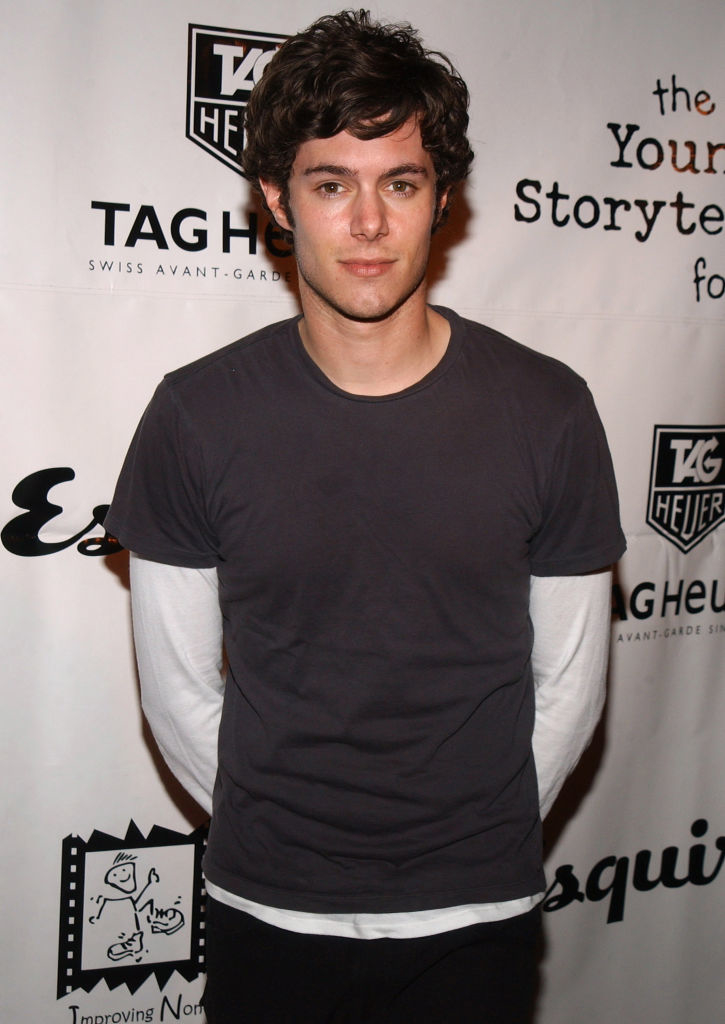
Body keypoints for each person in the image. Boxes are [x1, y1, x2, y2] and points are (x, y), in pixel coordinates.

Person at [106, 10, 626, 1022]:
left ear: (441, 200)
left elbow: (567, 689)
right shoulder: (194, 414)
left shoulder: (549, 410)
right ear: (276, 201)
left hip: (477, 918)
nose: (368, 223)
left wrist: (464, 832)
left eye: (399, 182)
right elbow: (175, 697)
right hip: (268, 913)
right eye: (329, 184)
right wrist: (298, 837)